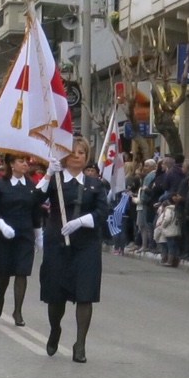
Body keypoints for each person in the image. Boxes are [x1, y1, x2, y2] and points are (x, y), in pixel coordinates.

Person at [41, 142, 108, 363]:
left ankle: (80, 344)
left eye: (82, 153)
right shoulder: (55, 181)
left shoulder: (95, 184)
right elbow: (35, 198)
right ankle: (55, 329)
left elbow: (102, 212)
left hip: (86, 245)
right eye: (72, 152)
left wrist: (81, 221)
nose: (77, 156)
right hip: (57, 243)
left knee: (85, 294)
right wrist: (48, 174)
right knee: (56, 295)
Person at [0, 154, 39, 325]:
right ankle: (0, 297)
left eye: (26, 161)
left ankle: (18, 311)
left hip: (25, 234)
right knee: (4, 272)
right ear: (11, 164)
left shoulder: (31, 186)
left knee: (22, 271)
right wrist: (2, 226)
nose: (25, 164)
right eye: (21, 161)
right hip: (4, 233)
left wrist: (39, 235)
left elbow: (35, 212)